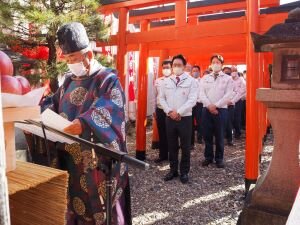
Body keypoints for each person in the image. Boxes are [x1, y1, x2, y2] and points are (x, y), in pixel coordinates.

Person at [40, 22, 131, 225]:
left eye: (73, 58)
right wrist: (38, 111)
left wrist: (84, 123)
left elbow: (112, 108)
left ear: (89, 55)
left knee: (104, 213)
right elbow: (52, 103)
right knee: (75, 207)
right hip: (72, 163)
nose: (71, 63)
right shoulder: (68, 82)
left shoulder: (107, 80)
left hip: (99, 167)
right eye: (68, 59)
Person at [159, 54, 198, 184]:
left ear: (184, 66)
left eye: (179, 65)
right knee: (172, 145)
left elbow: (192, 99)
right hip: (169, 117)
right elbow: (161, 98)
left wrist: (179, 112)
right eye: (174, 65)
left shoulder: (191, 81)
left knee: (185, 146)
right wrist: (169, 111)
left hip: (185, 118)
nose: (176, 67)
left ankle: (184, 171)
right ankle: (173, 170)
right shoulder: (166, 81)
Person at [200, 54, 234, 168]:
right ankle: (208, 157)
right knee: (207, 135)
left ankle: (219, 158)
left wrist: (216, 105)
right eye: (213, 62)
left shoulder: (228, 78)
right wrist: (209, 105)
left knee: (219, 135)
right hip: (206, 109)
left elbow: (228, 94)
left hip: (221, 110)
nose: (215, 64)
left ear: (222, 64)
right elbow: (201, 93)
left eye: (218, 62)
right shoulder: (205, 78)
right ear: (210, 64)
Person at [153, 60, 172, 163]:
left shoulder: (175, 80)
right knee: (162, 133)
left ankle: (172, 155)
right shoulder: (158, 81)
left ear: (172, 67)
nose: (166, 69)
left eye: (168, 67)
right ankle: (162, 155)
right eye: (164, 67)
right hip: (160, 110)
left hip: (171, 111)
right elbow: (154, 96)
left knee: (172, 133)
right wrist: (154, 109)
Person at [191, 65, 204, 146]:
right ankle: (191, 140)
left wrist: (197, 100)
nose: (195, 72)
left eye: (196, 71)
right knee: (190, 123)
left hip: (199, 104)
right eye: (193, 71)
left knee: (200, 122)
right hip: (190, 105)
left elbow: (202, 93)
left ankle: (200, 138)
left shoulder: (202, 81)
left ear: (199, 72)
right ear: (191, 72)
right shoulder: (189, 81)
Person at [231, 72, 246, 139]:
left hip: (238, 100)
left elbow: (242, 91)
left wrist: (236, 98)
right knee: (230, 118)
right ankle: (230, 133)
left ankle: (238, 132)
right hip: (229, 100)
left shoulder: (241, 80)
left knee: (237, 117)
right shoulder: (229, 80)